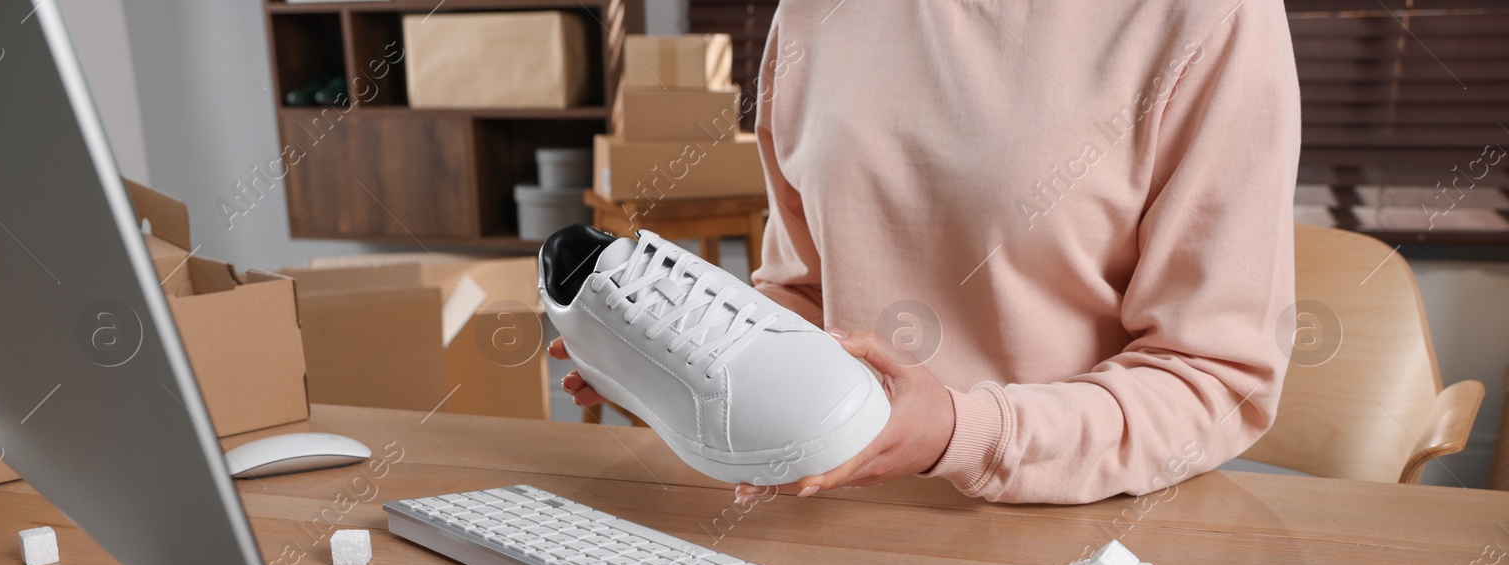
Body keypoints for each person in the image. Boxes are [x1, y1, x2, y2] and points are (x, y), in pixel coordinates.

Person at [552, 0, 1299, 506]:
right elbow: (809, 295)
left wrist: (961, 432)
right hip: (834, 522)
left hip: (1084, 554)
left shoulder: (1210, 18)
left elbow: (1213, 376)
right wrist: (683, 364)